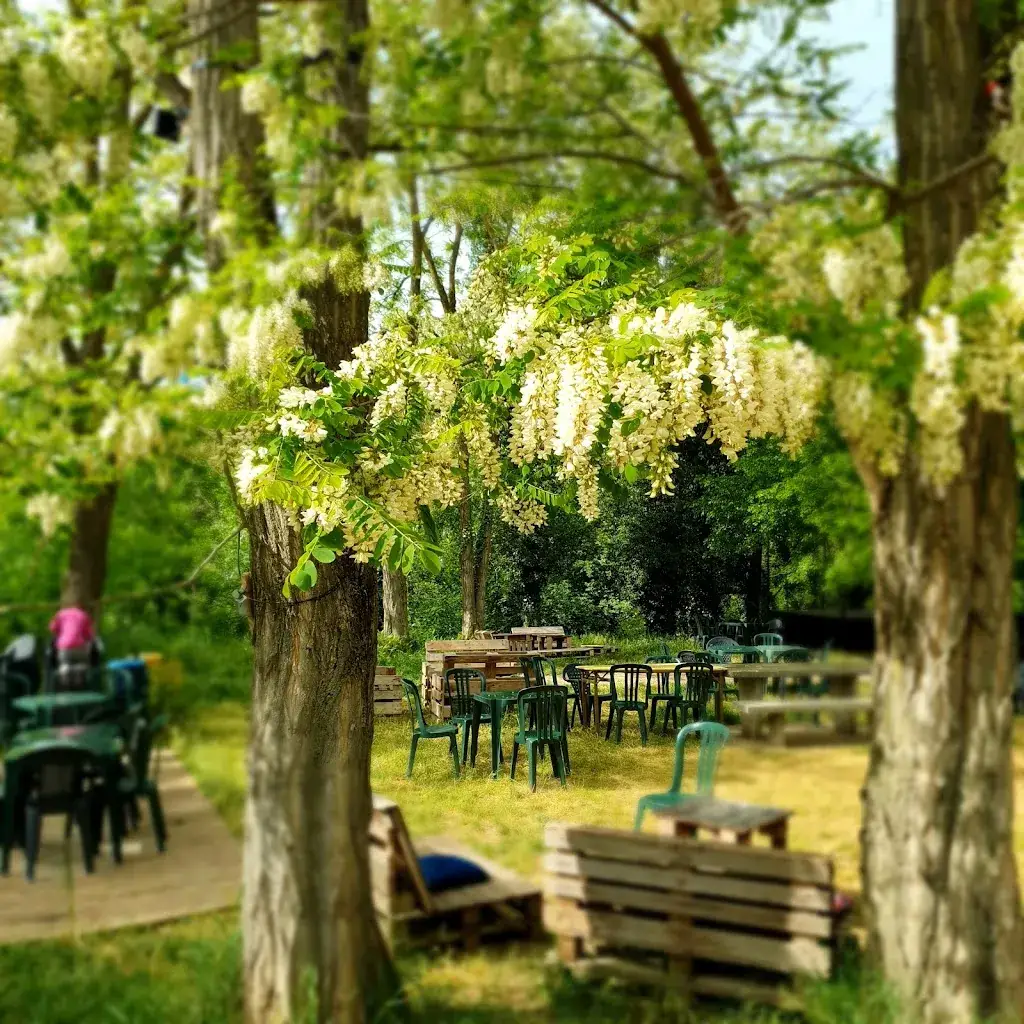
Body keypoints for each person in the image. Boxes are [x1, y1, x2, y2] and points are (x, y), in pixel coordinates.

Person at [48, 604, 96, 690]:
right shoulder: (83, 615)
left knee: (64, 664)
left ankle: (65, 687)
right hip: (80, 646)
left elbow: (52, 628)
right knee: (82, 665)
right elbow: (89, 635)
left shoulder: (60, 614)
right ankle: (79, 687)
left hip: (64, 646)